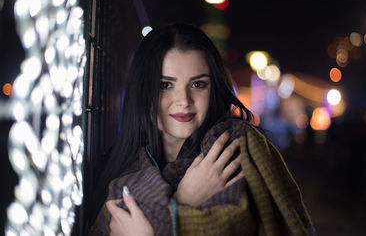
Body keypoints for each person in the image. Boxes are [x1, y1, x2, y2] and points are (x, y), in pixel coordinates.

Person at [87, 22, 316, 236]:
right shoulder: (122, 175)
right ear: (143, 92)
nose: (184, 100)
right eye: (165, 85)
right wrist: (182, 199)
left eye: (198, 84)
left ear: (213, 88)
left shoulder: (234, 147)